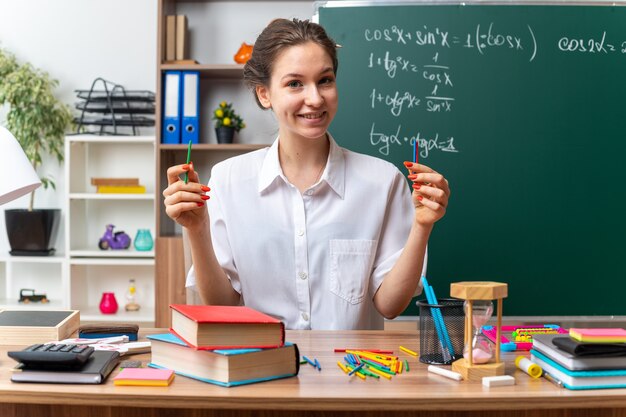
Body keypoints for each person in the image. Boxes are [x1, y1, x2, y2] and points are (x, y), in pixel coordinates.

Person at [163, 18, 450, 330]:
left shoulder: (383, 182)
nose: (315, 98)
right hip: (260, 370)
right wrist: (197, 229)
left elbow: (389, 306)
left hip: (349, 373)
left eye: (324, 80)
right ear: (264, 94)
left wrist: (422, 226)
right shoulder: (227, 180)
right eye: (294, 84)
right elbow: (222, 305)